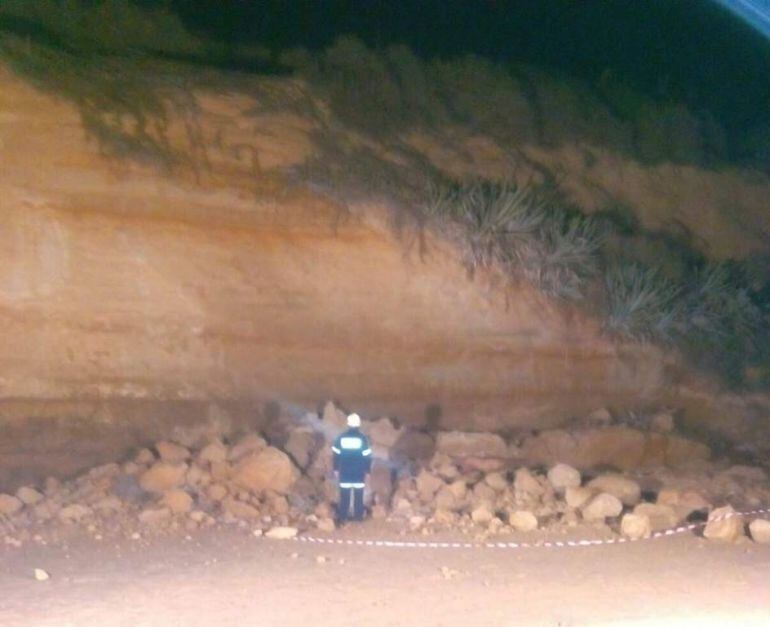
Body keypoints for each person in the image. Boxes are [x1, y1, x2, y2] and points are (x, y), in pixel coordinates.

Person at [331, 413, 372, 522]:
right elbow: (367, 456)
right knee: (358, 496)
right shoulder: (363, 439)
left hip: (345, 471)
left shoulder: (341, 438)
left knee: (344, 496)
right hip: (358, 471)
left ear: (348, 424)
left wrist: (335, 469)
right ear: (358, 424)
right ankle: (358, 518)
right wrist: (367, 471)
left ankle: (343, 517)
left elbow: (336, 455)